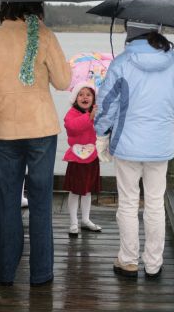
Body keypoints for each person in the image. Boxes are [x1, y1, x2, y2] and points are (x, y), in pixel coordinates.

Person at [0, 1, 71, 286]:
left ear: (5, 7)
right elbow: (64, 82)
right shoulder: (44, 35)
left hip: (6, 130)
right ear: (36, 8)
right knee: (42, 202)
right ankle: (41, 274)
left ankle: (6, 272)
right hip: (41, 128)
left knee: (7, 201)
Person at [94, 21, 174, 278]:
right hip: (159, 146)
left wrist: (101, 134)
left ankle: (128, 261)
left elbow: (106, 106)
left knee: (127, 203)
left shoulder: (122, 63)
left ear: (131, 33)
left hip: (127, 146)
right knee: (155, 204)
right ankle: (153, 264)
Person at [63, 82, 102, 237]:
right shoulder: (71, 113)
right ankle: (73, 222)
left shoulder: (97, 112)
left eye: (88, 94)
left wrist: (98, 117)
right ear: (75, 98)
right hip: (77, 158)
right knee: (75, 191)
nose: (84, 97)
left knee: (87, 191)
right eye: (81, 94)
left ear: (93, 98)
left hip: (92, 157)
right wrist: (88, 117)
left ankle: (85, 219)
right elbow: (72, 128)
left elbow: (103, 130)